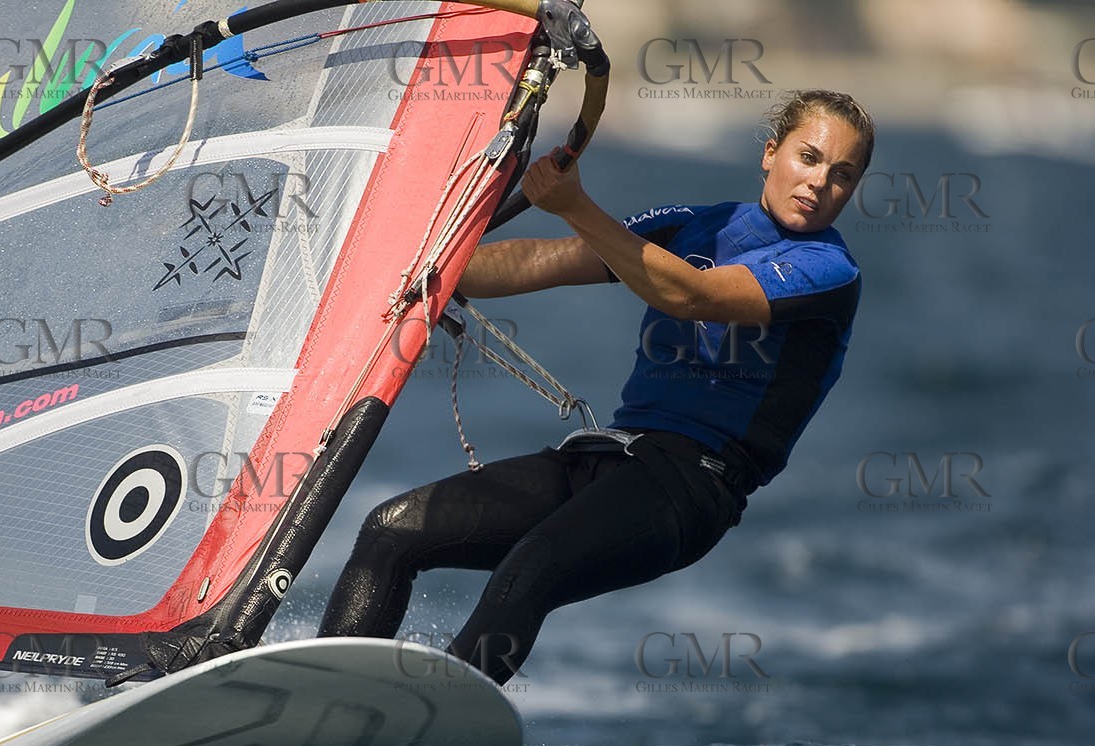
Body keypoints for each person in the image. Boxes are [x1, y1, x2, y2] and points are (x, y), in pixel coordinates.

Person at [317, 89, 875, 685]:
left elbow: (690, 295)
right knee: (392, 529)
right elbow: (542, 261)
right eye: (809, 157)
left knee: (531, 567)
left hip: (690, 487)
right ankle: (318, 697)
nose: (820, 182)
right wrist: (405, 269)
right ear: (770, 153)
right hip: (612, 456)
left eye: (842, 175)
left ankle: (428, 725)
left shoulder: (828, 270)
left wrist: (575, 204)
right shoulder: (693, 224)